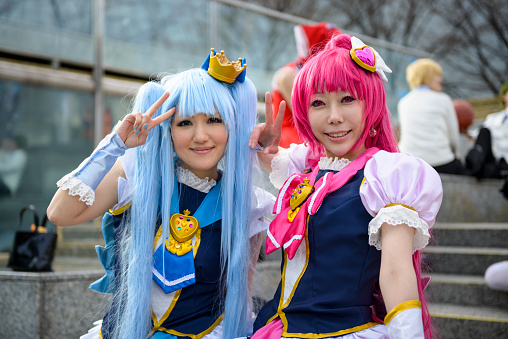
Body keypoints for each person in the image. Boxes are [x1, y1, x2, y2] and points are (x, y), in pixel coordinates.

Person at [47, 49, 276, 339]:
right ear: (168, 130)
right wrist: (115, 145)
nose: (200, 135)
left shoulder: (249, 204)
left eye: (214, 120)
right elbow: (59, 214)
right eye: (185, 123)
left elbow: (241, 292)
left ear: (231, 126)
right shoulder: (135, 176)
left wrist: (272, 163)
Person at [251, 34, 443, 339]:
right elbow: (273, 157)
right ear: (304, 110)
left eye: (347, 99)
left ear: (372, 103)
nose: (334, 117)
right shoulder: (309, 169)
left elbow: (395, 272)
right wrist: (261, 145)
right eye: (318, 103)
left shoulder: (389, 176)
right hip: (277, 329)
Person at [272, 22, 340, 148]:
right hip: (291, 140)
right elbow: (304, 115)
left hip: (307, 138)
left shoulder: (312, 75)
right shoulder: (289, 75)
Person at [397, 58, 465, 175]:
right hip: (441, 163)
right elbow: (453, 136)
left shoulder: (403, 102)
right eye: (437, 75)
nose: (441, 79)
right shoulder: (444, 99)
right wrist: (455, 153)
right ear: (427, 76)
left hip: (410, 164)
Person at [466, 82, 508, 181]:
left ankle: (476, 167)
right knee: (484, 131)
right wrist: (465, 132)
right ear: (504, 96)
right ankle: (475, 165)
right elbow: (477, 138)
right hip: (492, 159)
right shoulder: (492, 118)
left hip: (505, 162)